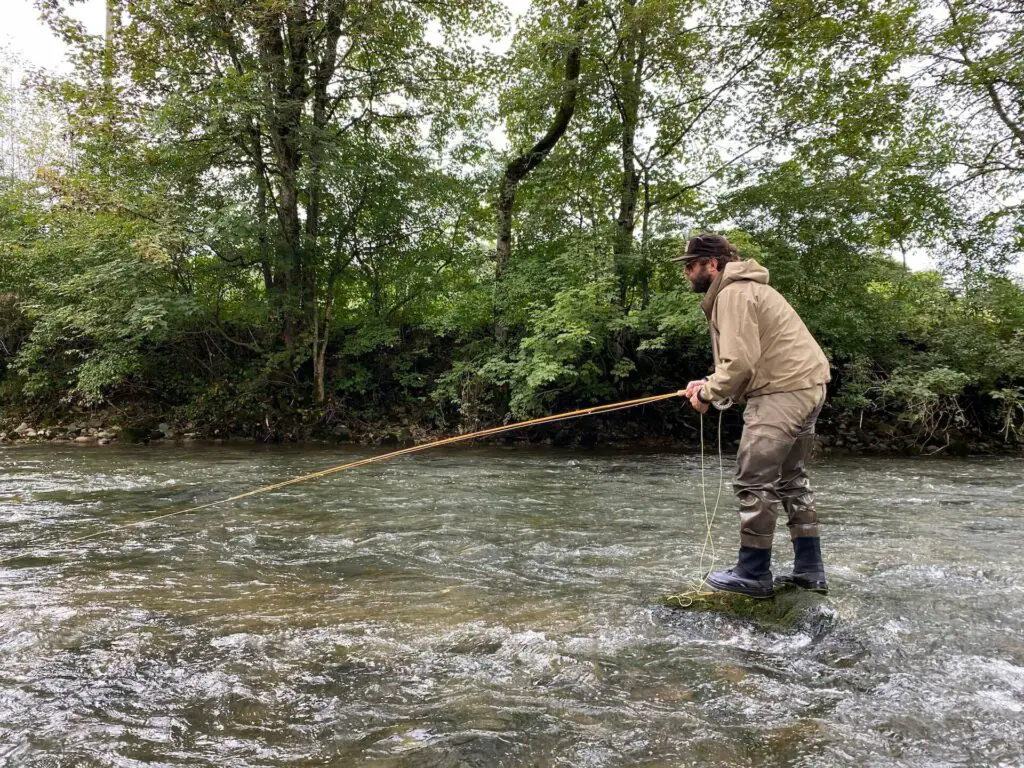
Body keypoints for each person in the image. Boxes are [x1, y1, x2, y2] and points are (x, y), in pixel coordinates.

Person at [673, 233, 832, 598]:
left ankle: (753, 572)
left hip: (782, 392)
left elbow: (740, 364)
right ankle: (810, 571)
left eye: (690, 265)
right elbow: (742, 363)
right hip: (807, 386)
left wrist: (708, 394)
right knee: (791, 480)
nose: (686, 273)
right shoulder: (746, 289)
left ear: (711, 264)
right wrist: (710, 382)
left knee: (753, 480)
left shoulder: (733, 293)